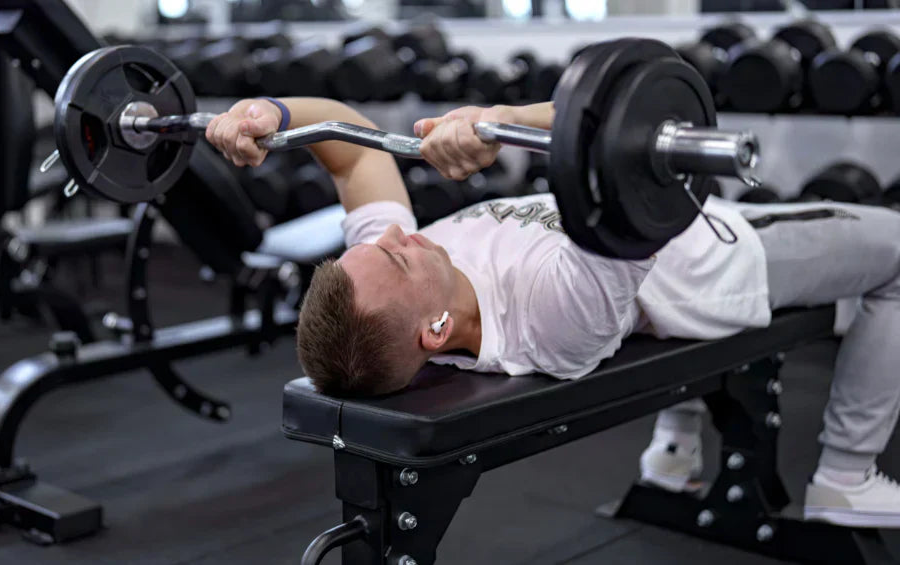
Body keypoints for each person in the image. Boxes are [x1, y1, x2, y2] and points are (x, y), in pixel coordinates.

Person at [206, 96, 900, 528]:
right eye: (393, 256)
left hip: (680, 245)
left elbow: (351, 143)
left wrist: (270, 113)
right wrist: (500, 125)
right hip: (728, 255)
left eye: (374, 242)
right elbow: (629, 148)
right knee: (895, 247)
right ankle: (845, 474)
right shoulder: (548, 315)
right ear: (436, 330)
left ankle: (674, 454)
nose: (394, 234)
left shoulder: (402, 283)